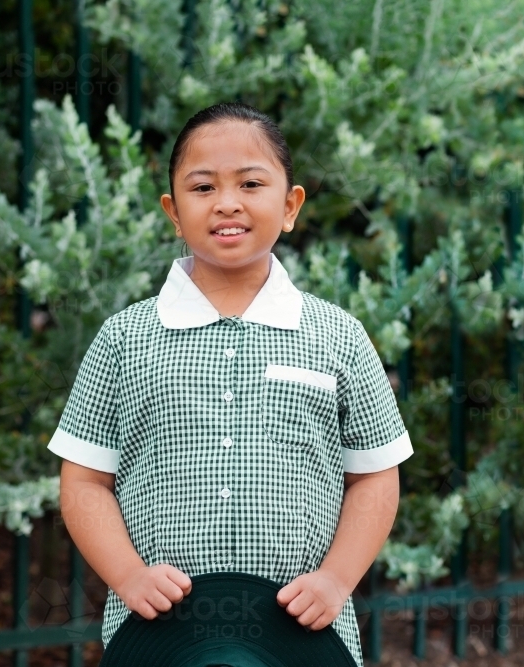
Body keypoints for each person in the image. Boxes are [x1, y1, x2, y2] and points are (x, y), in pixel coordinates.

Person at [48, 101, 414, 667]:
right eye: (202, 188)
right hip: (161, 632)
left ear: (290, 206)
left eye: (250, 182)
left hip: (302, 628)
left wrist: (337, 582)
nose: (226, 203)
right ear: (173, 211)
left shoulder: (337, 334)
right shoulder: (124, 338)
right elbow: (84, 480)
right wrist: (128, 576)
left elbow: (375, 476)